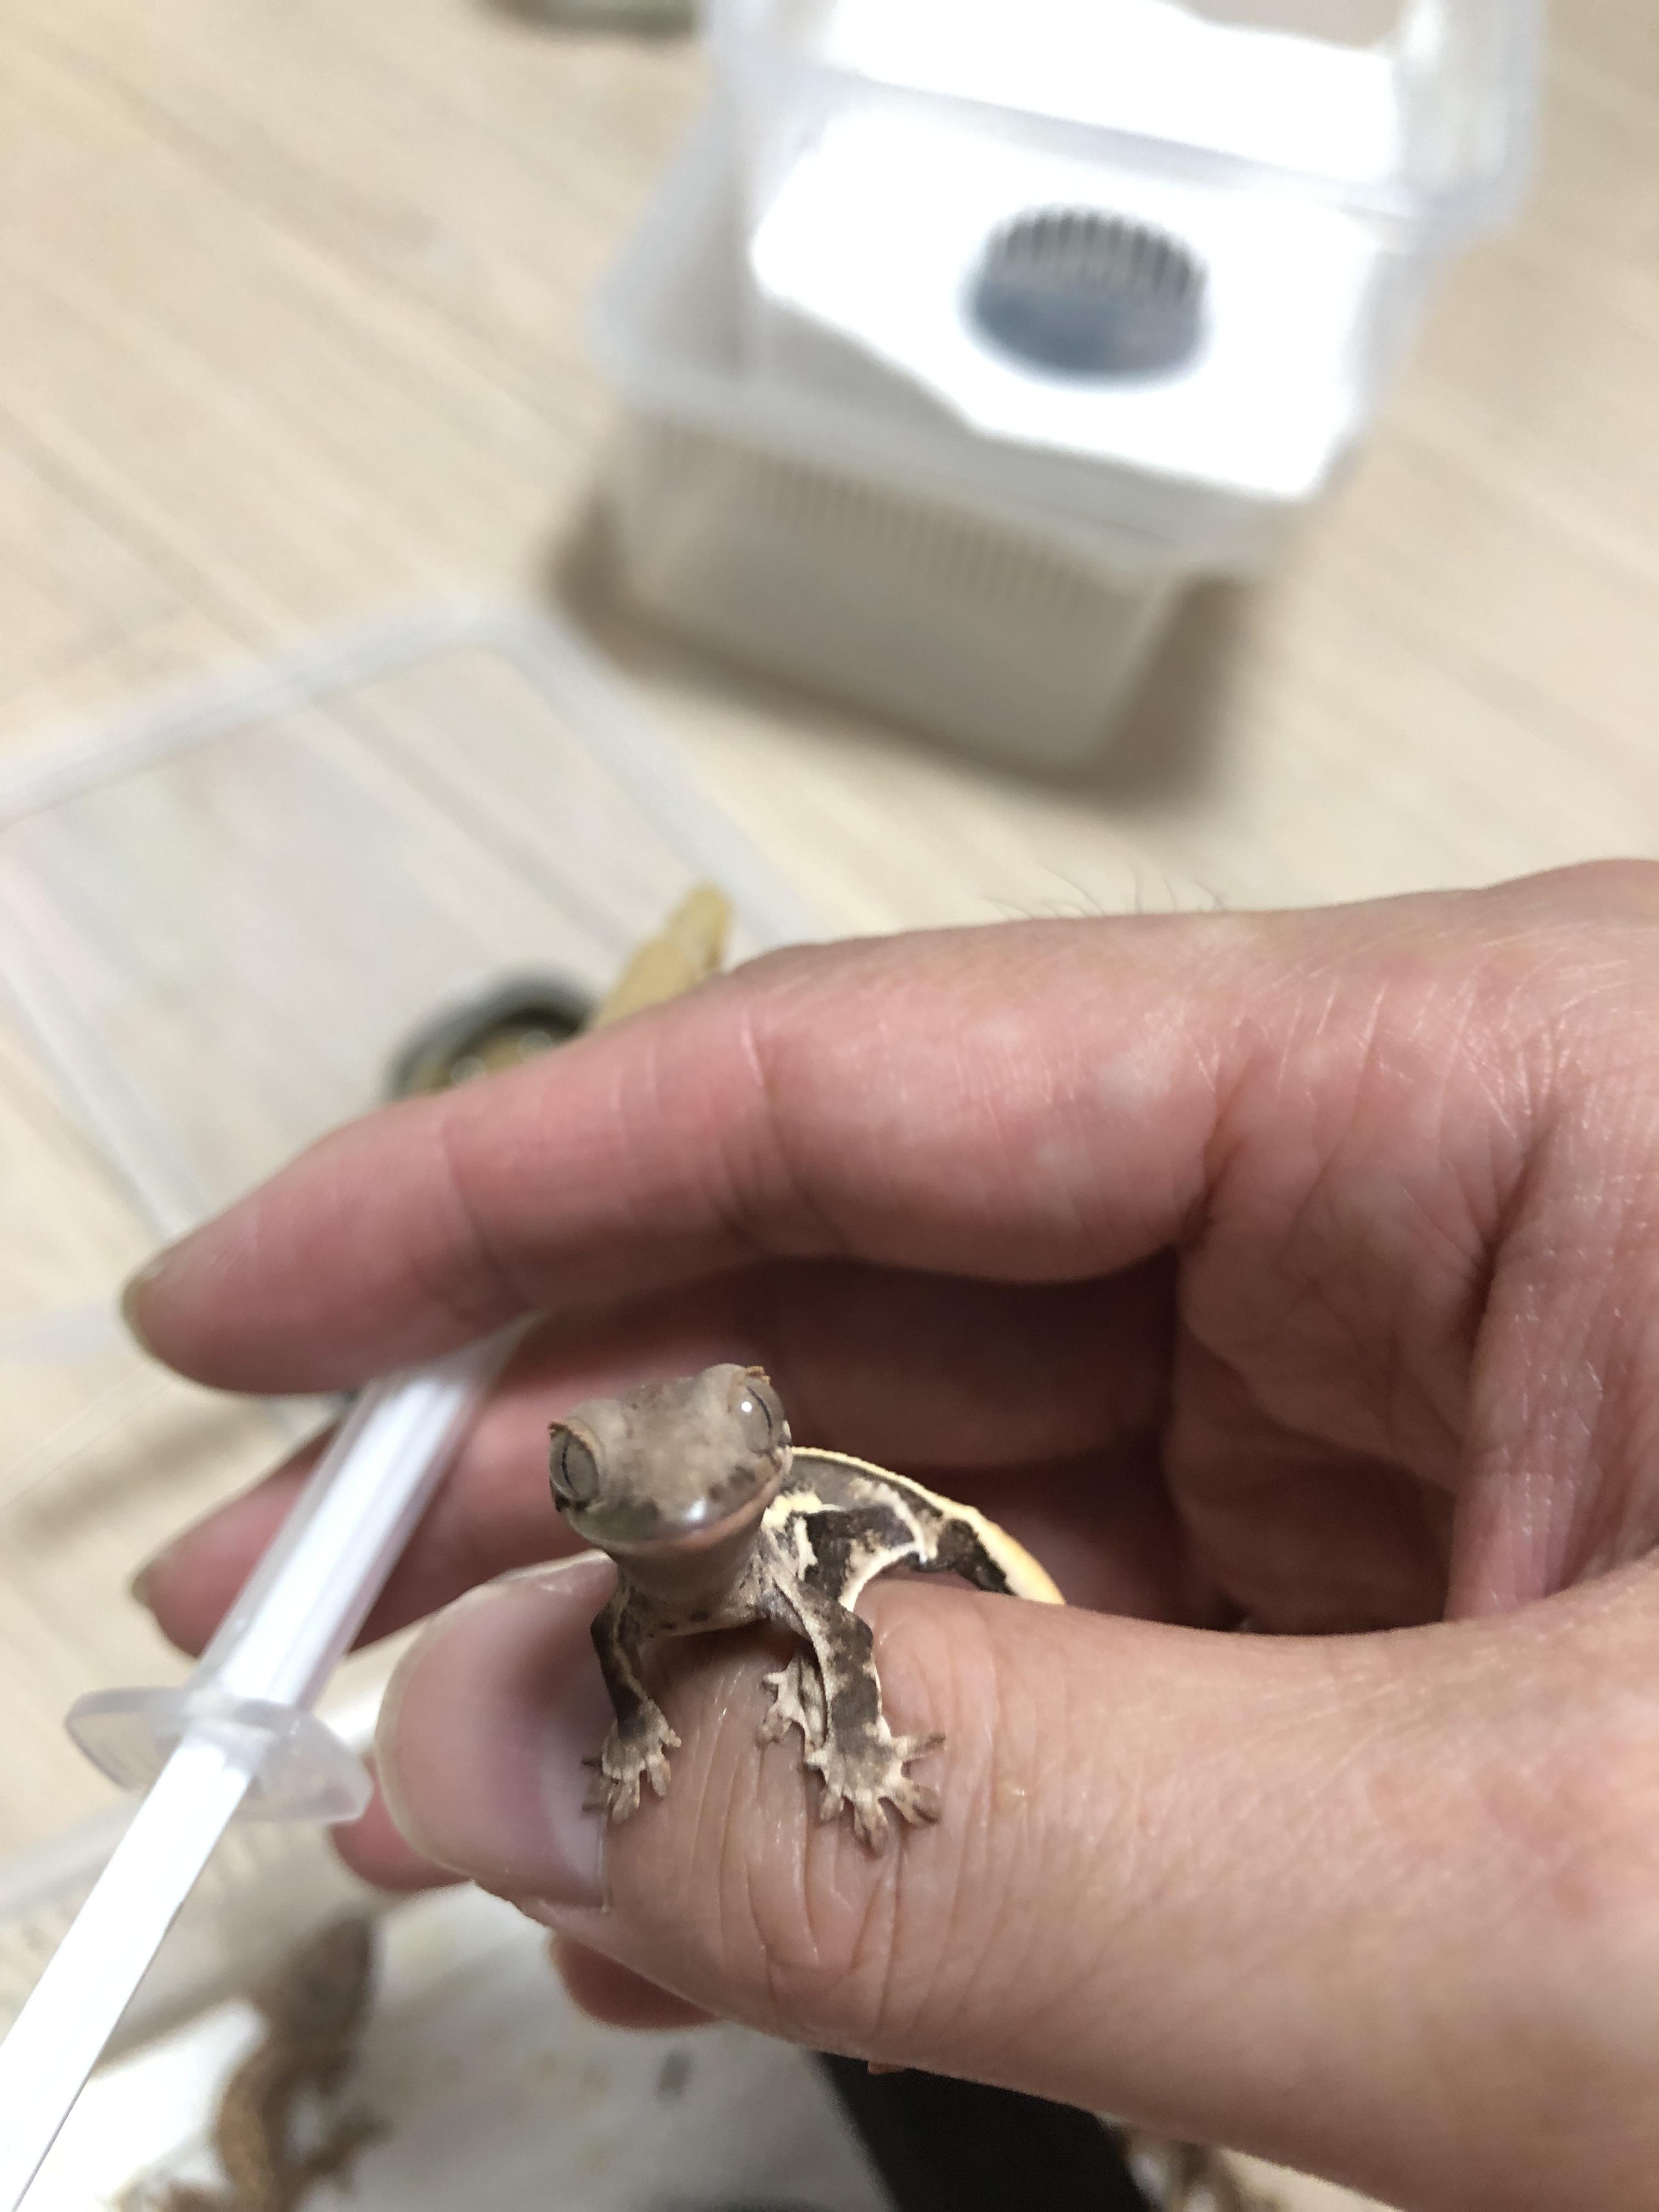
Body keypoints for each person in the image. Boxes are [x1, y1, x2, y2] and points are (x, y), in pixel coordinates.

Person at [125, 864, 1659, 2211]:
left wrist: (854, 1765)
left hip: (958, 1564)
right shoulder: (634, 1605)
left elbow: (835, 1639)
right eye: (593, 1474)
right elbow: (621, 1639)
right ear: (576, 1496)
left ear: (768, 1437)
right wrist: (636, 1738)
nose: (682, 1503)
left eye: (738, 1435)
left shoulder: (792, 1546)